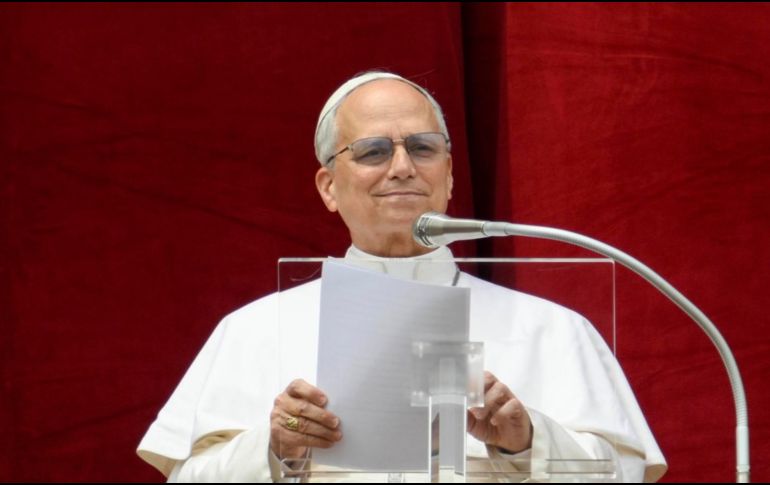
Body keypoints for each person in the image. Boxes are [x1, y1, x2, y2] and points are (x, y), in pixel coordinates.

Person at [137, 71, 667, 482]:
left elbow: (623, 472)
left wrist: (526, 442)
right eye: (372, 151)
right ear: (328, 186)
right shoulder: (252, 329)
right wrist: (275, 448)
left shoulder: (553, 329)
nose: (401, 167)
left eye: (422, 147)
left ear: (450, 175)